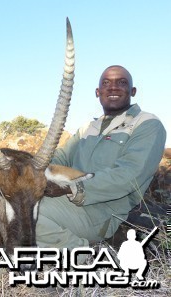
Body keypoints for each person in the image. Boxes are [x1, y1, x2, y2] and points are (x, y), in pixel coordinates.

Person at [36, 65, 166, 258]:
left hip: (102, 212)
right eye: (106, 83)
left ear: (132, 91)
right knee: (13, 205)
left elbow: (129, 175)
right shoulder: (87, 128)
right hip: (66, 202)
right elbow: (58, 158)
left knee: (29, 216)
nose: (113, 87)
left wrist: (71, 187)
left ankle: (84, 257)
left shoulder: (148, 124)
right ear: (98, 92)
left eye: (121, 82)